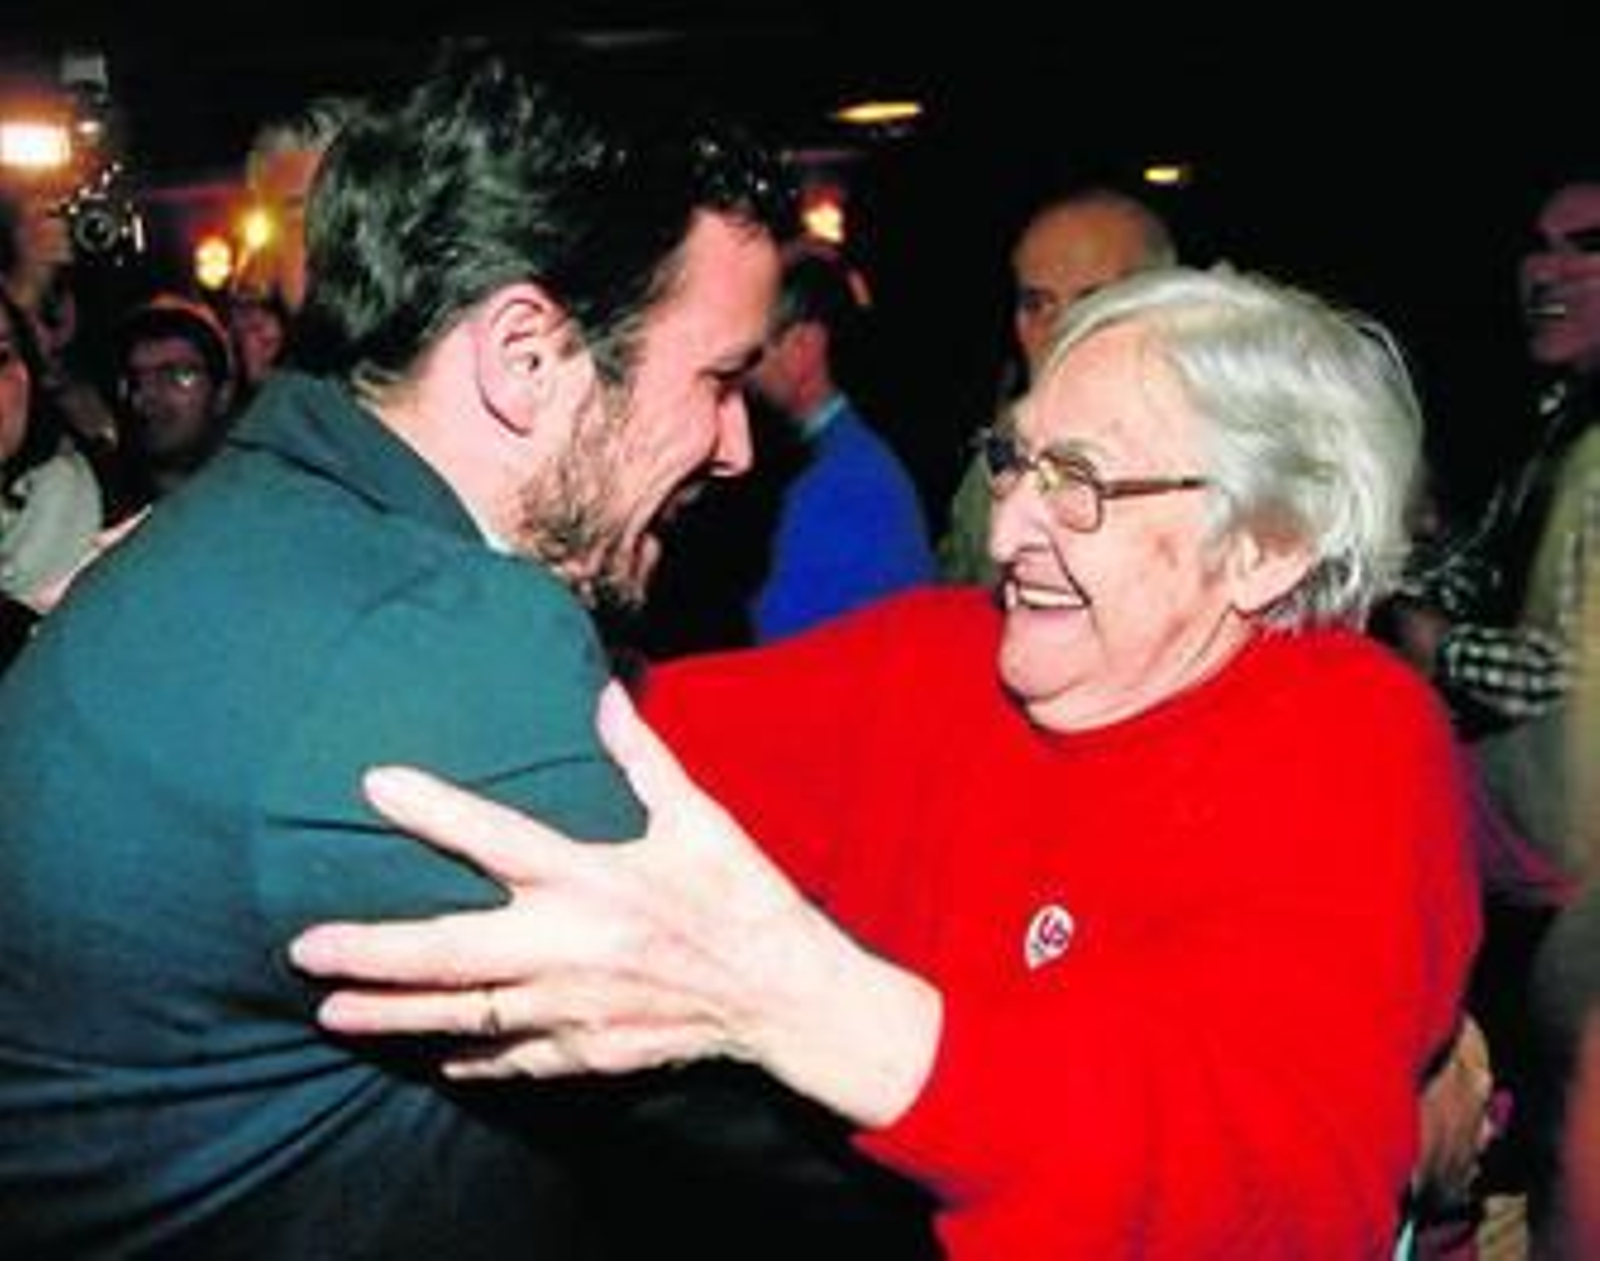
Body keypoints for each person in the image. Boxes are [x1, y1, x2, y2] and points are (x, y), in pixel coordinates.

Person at [291, 265, 1484, 1258]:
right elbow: (590, 732)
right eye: (1017, 463)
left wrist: (794, 997)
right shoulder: (947, 661)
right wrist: (298, 585)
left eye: (1083, 486)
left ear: (1268, 547)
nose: (1012, 527)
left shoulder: (1349, 738)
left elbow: (1266, 1199)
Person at [0, 42, 936, 1259]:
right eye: (713, 380)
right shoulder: (435, 629)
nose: (733, 446)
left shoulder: (261, 513)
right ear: (526, 356)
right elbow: (804, 1125)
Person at [937, 183, 1177, 585]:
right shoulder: (999, 460)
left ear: (1161, 312)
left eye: (1092, 304)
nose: (1060, 330)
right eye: (1037, 304)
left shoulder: (1218, 466)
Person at [737, 244, 934, 642]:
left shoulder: (844, 484)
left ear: (804, 347)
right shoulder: (843, 461)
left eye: (752, 353)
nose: (739, 373)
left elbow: (785, 656)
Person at [109, 292, 237, 502]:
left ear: (223, 393)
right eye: (135, 379)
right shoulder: (96, 505)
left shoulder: (256, 500)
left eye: (178, 376)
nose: (146, 395)